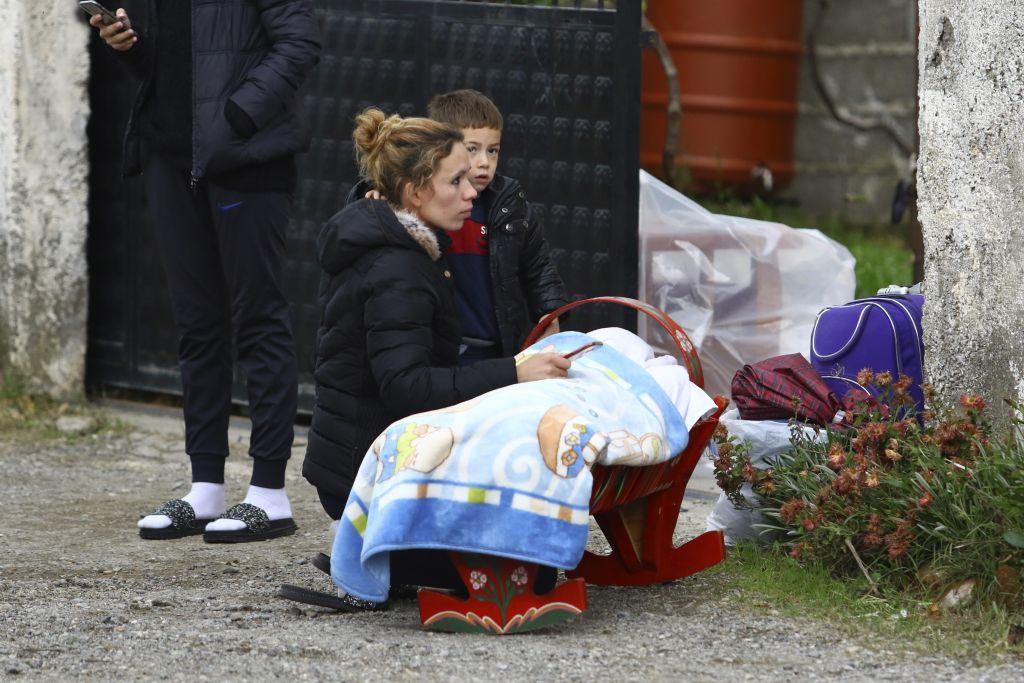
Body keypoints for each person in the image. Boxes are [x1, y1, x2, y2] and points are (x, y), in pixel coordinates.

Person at [298, 109, 569, 604]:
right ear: (415, 192)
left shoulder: (402, 243)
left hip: (379, 465)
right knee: (537, 573)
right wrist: (513, 371)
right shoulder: (396, 267)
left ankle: (378, 548)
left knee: (537, 557)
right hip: (371, 480)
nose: (471, 194)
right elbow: (407, 386)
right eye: (456, 181)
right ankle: (368, 547)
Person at [89, 2, 321, 542]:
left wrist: (236, 116)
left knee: (258, 318)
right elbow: (173, 62)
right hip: (171, 159)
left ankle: (270, 494)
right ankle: (206, 487)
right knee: (197, 325)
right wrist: (128, 47)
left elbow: (300, 42)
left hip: (246, 160)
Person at [354, 89, 569, 363]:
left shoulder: (510, 203)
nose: (484, 163)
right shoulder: (426, 198)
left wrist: (550, 315)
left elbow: (538, 267)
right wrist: (380, 199)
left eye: (493, 151)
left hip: (498, 349)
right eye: (472, 149)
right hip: (440, 350)